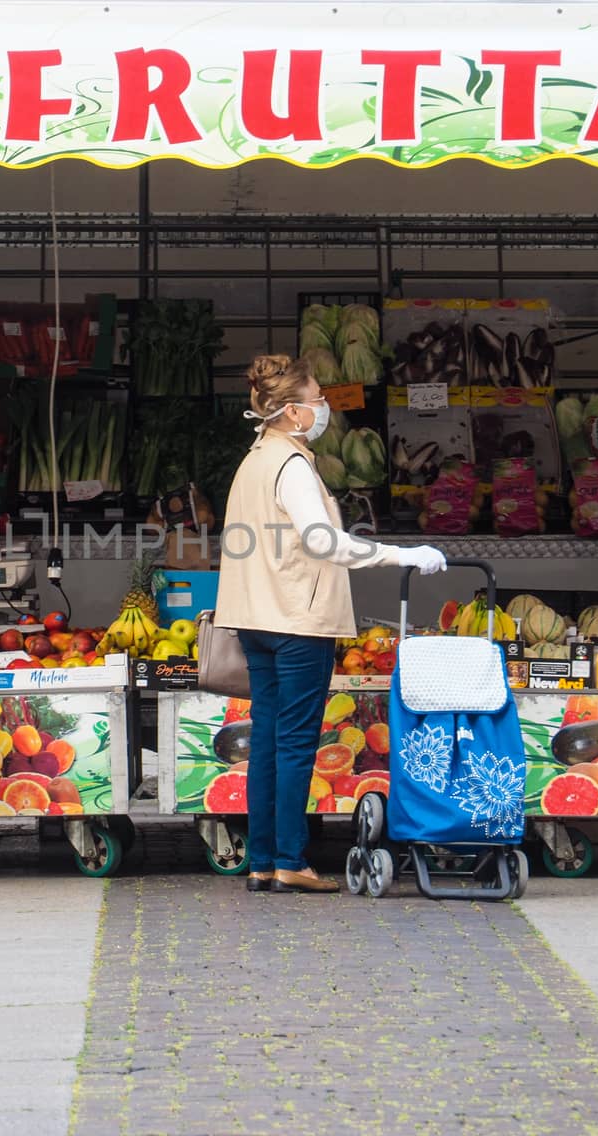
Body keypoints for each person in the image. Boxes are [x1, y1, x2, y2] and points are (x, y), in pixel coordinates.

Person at [216, 354, 446, 893]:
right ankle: (291, 860)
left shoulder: (254, 460)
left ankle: (263, 860)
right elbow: (320, 540)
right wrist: (399, 554)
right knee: (294, 743)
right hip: (298, 620)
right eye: (317, 400)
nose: (323, 409)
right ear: (294, 412)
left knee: (269, 741)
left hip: (256, 618)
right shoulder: (291, 466)